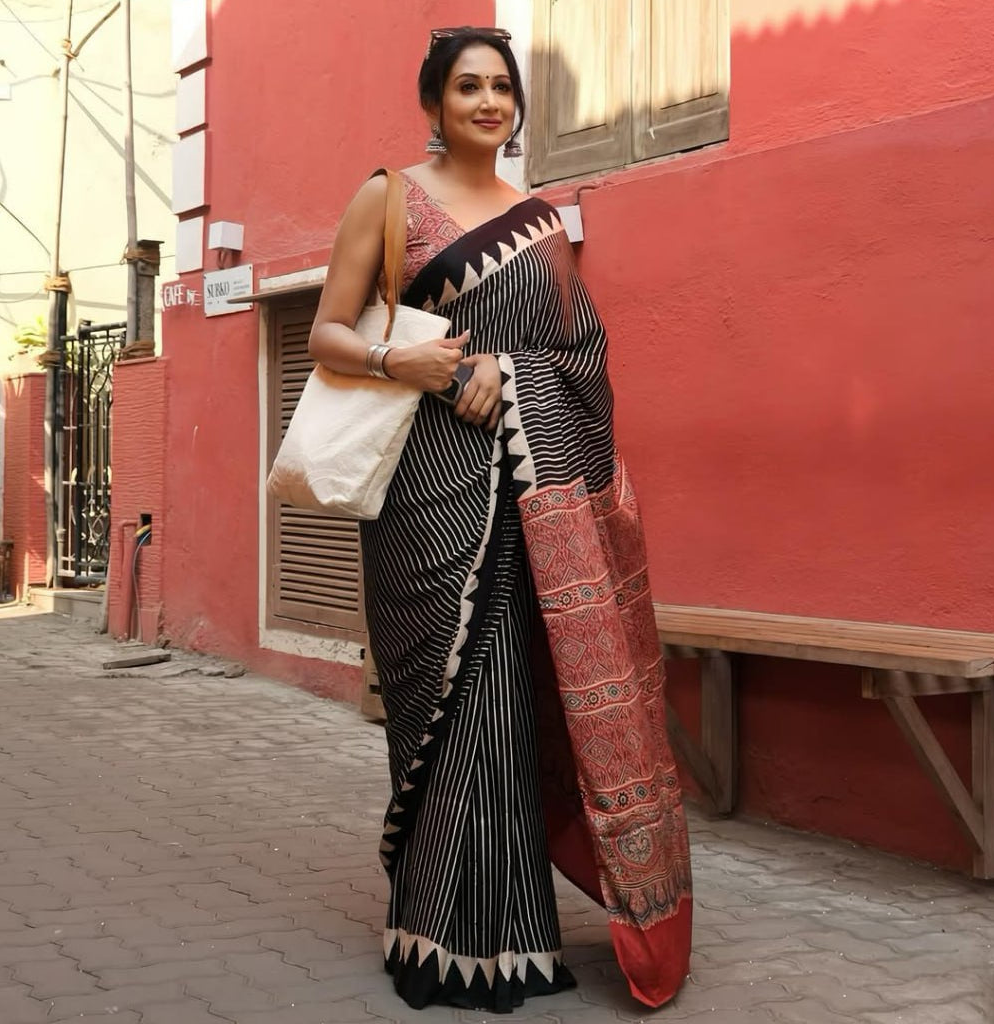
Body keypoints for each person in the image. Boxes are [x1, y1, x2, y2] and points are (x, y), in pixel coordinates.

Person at [308, 26, 693, 1015]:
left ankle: (511, 933)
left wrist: (510, 375)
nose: (487, 101)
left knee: (508, 695)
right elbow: (327, 332)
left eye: (501, 87)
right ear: (433, 104)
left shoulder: (541, 221)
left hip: (525, 492)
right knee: (439, 699)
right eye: (467, 86)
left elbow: (583, 360)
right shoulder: (387, 197)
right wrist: (414, 361)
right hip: (422, 494)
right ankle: (433, 929)